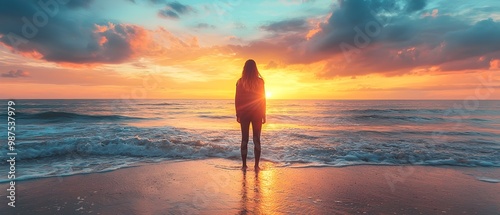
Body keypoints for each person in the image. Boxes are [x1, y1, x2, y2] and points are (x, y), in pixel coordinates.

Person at [235, 59, 266, 170]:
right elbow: (263, 98)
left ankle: (244, 165)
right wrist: (264, 114)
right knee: (257, 139)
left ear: (244, 68)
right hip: (257, 113)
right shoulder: (260, 82)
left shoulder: (240, 81)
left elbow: (237, 99)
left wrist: (237, 113)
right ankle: (256, 166)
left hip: (244, 113)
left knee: (244, 139)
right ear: (255, 68)